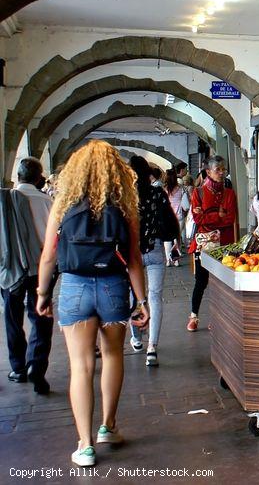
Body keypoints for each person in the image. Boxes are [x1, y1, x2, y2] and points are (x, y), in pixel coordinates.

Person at [35, 141, 149, 466]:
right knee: (113, 355)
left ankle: (85, 445)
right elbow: (134, 260)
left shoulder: (63, 205)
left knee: (81, 367)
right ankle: (108, 427)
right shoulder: (124, 206)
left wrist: (43, 295)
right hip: (114, 287)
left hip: (74, 287)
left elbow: (48, 255)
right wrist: (141, 301)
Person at [1, 157, 54, 394]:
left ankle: (18, 367)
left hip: (10, 267)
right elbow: (52, 238)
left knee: (12, 318)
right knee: (41, 317)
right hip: (40, 267)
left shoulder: (4, 201)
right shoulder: (46, 200)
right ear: (38, 176)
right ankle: (37, 364)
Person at [127, 156, 179, 367]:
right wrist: (174, 241)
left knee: (135, 296)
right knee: (156, 296)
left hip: (133, 253)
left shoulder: (126, 195)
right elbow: (169, 218)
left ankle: (137, 339)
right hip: (156, 247)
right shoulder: (157, 193)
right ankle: (152, 348)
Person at [187, 155, 237, 332]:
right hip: (203, 245)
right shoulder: (198, 192)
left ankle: (217, 317)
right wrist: (218, 215)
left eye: (224, 169)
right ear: (208, 172)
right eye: (218, 170)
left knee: (220, 283)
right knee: (200, 281)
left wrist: (209, 216)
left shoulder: (229, 193)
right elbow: (197, 218)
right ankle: (194, 316)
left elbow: (230, 218)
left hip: (225, 245)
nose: (222, 173)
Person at [163, 169, 188, 267]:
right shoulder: (181, 188)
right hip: (179, 216)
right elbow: (186, 202)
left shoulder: (164, 189)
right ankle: (176, 260)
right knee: (176, 239)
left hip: (167, 217)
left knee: (167, 239)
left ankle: (168, 260)